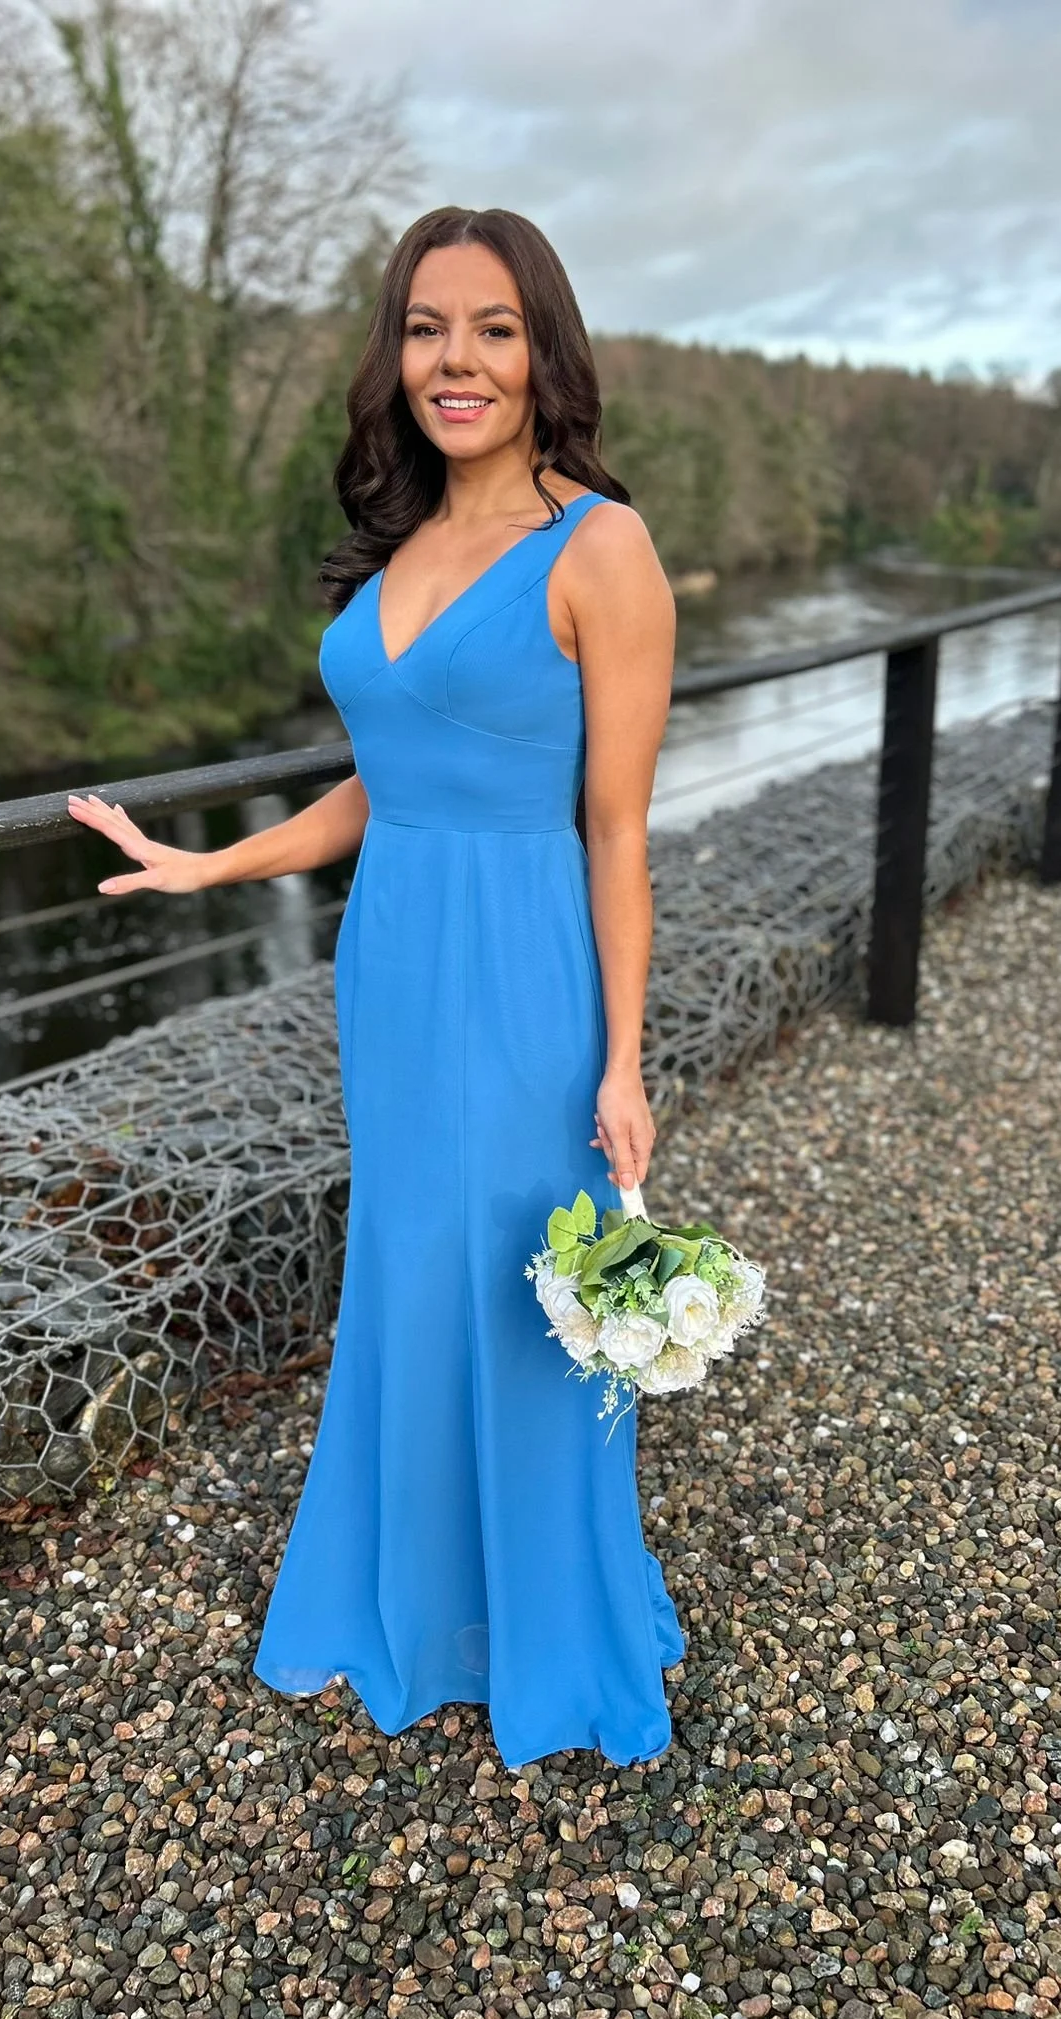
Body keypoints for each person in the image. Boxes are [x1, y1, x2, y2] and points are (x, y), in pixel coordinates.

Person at [66, 204, 685, 1771]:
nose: (456, 360)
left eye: (491, 326)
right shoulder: (405, 547)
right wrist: (207, 865)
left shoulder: (599, 547)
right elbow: (380, 783)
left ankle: (546, 1630)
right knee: (411, 1274)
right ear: (394, 355)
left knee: (525, 1285)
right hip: (394, 965)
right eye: (426, 328)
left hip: (522, 966)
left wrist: (624, 1061)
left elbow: (616, 830)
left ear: (544, 346)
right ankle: (420, 1599)